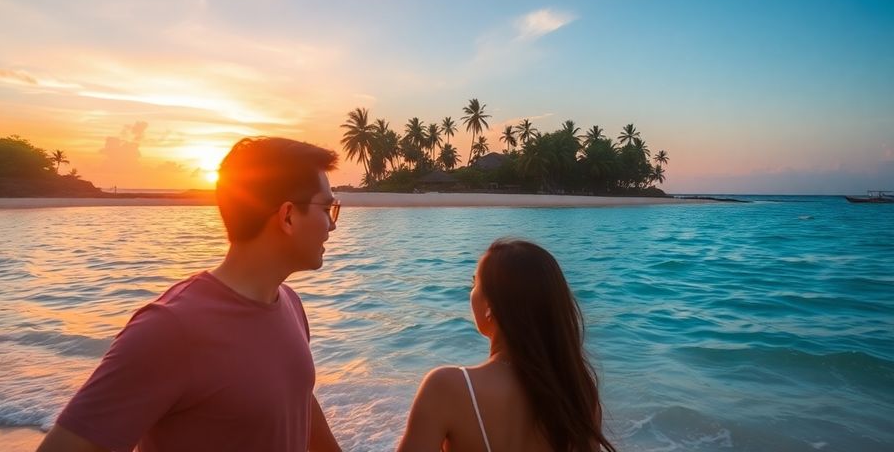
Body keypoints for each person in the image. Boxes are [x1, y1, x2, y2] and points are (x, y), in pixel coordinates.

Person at [37, 137, 343, 452]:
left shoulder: (289, 304)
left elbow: (297, 401)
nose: (332, 226)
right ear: (288, 216)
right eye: (327, 208)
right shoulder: (171, 328)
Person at [397, 239, 616, 452]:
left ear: (490, 305)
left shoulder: (448, 388)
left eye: (475, 284)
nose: (470, 293)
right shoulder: (580, 395)